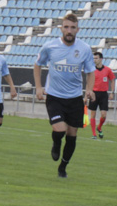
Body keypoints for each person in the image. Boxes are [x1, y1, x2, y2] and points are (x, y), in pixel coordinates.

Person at [33, 13, 95, 178]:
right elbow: (38, 65)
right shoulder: (50, 47)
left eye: (72, 28)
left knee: (72, 135)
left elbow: (90, 72)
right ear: (61, 28)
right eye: (66, 27)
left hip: (75, 98)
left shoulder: (84, 49)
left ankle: (63, 167)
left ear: (78, 30)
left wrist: (89, 89)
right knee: (60, 130)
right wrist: (39, 87)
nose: (69, 31)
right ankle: (56, 142)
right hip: (54, 96)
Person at [89, 51, 115, 139]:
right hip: (94, 93)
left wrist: (112, 92)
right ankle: (94, 134)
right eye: (93, 58)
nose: (94, 60)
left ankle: (99, 127)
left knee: (103, 115)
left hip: (103, 94)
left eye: (96, 58)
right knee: (93, 114)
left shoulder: (107, 70)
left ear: (101, 59)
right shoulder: (92, 69)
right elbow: (88, 81)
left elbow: (112, 80)